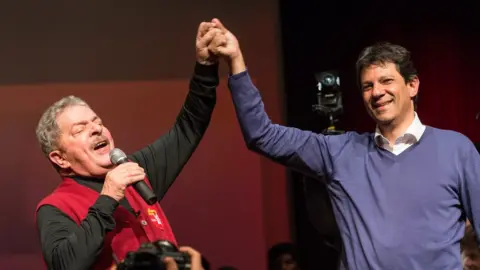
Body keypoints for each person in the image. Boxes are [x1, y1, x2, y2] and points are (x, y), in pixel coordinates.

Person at [204, 18, 480, 269]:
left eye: (386, 81)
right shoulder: (338, 152)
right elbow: (261, 135)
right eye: (367, 86)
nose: (377, 92)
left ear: (412, 85)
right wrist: (236, 62)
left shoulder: (457, 149)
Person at [34, 22, 223, 270]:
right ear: (60, 159)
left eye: (97, 122)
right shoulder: (55, 207)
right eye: (80, 129)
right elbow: (64, 265)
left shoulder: (136, 171)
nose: (96, 129)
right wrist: (108, 196)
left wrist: (206, 67)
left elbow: (188, 128)